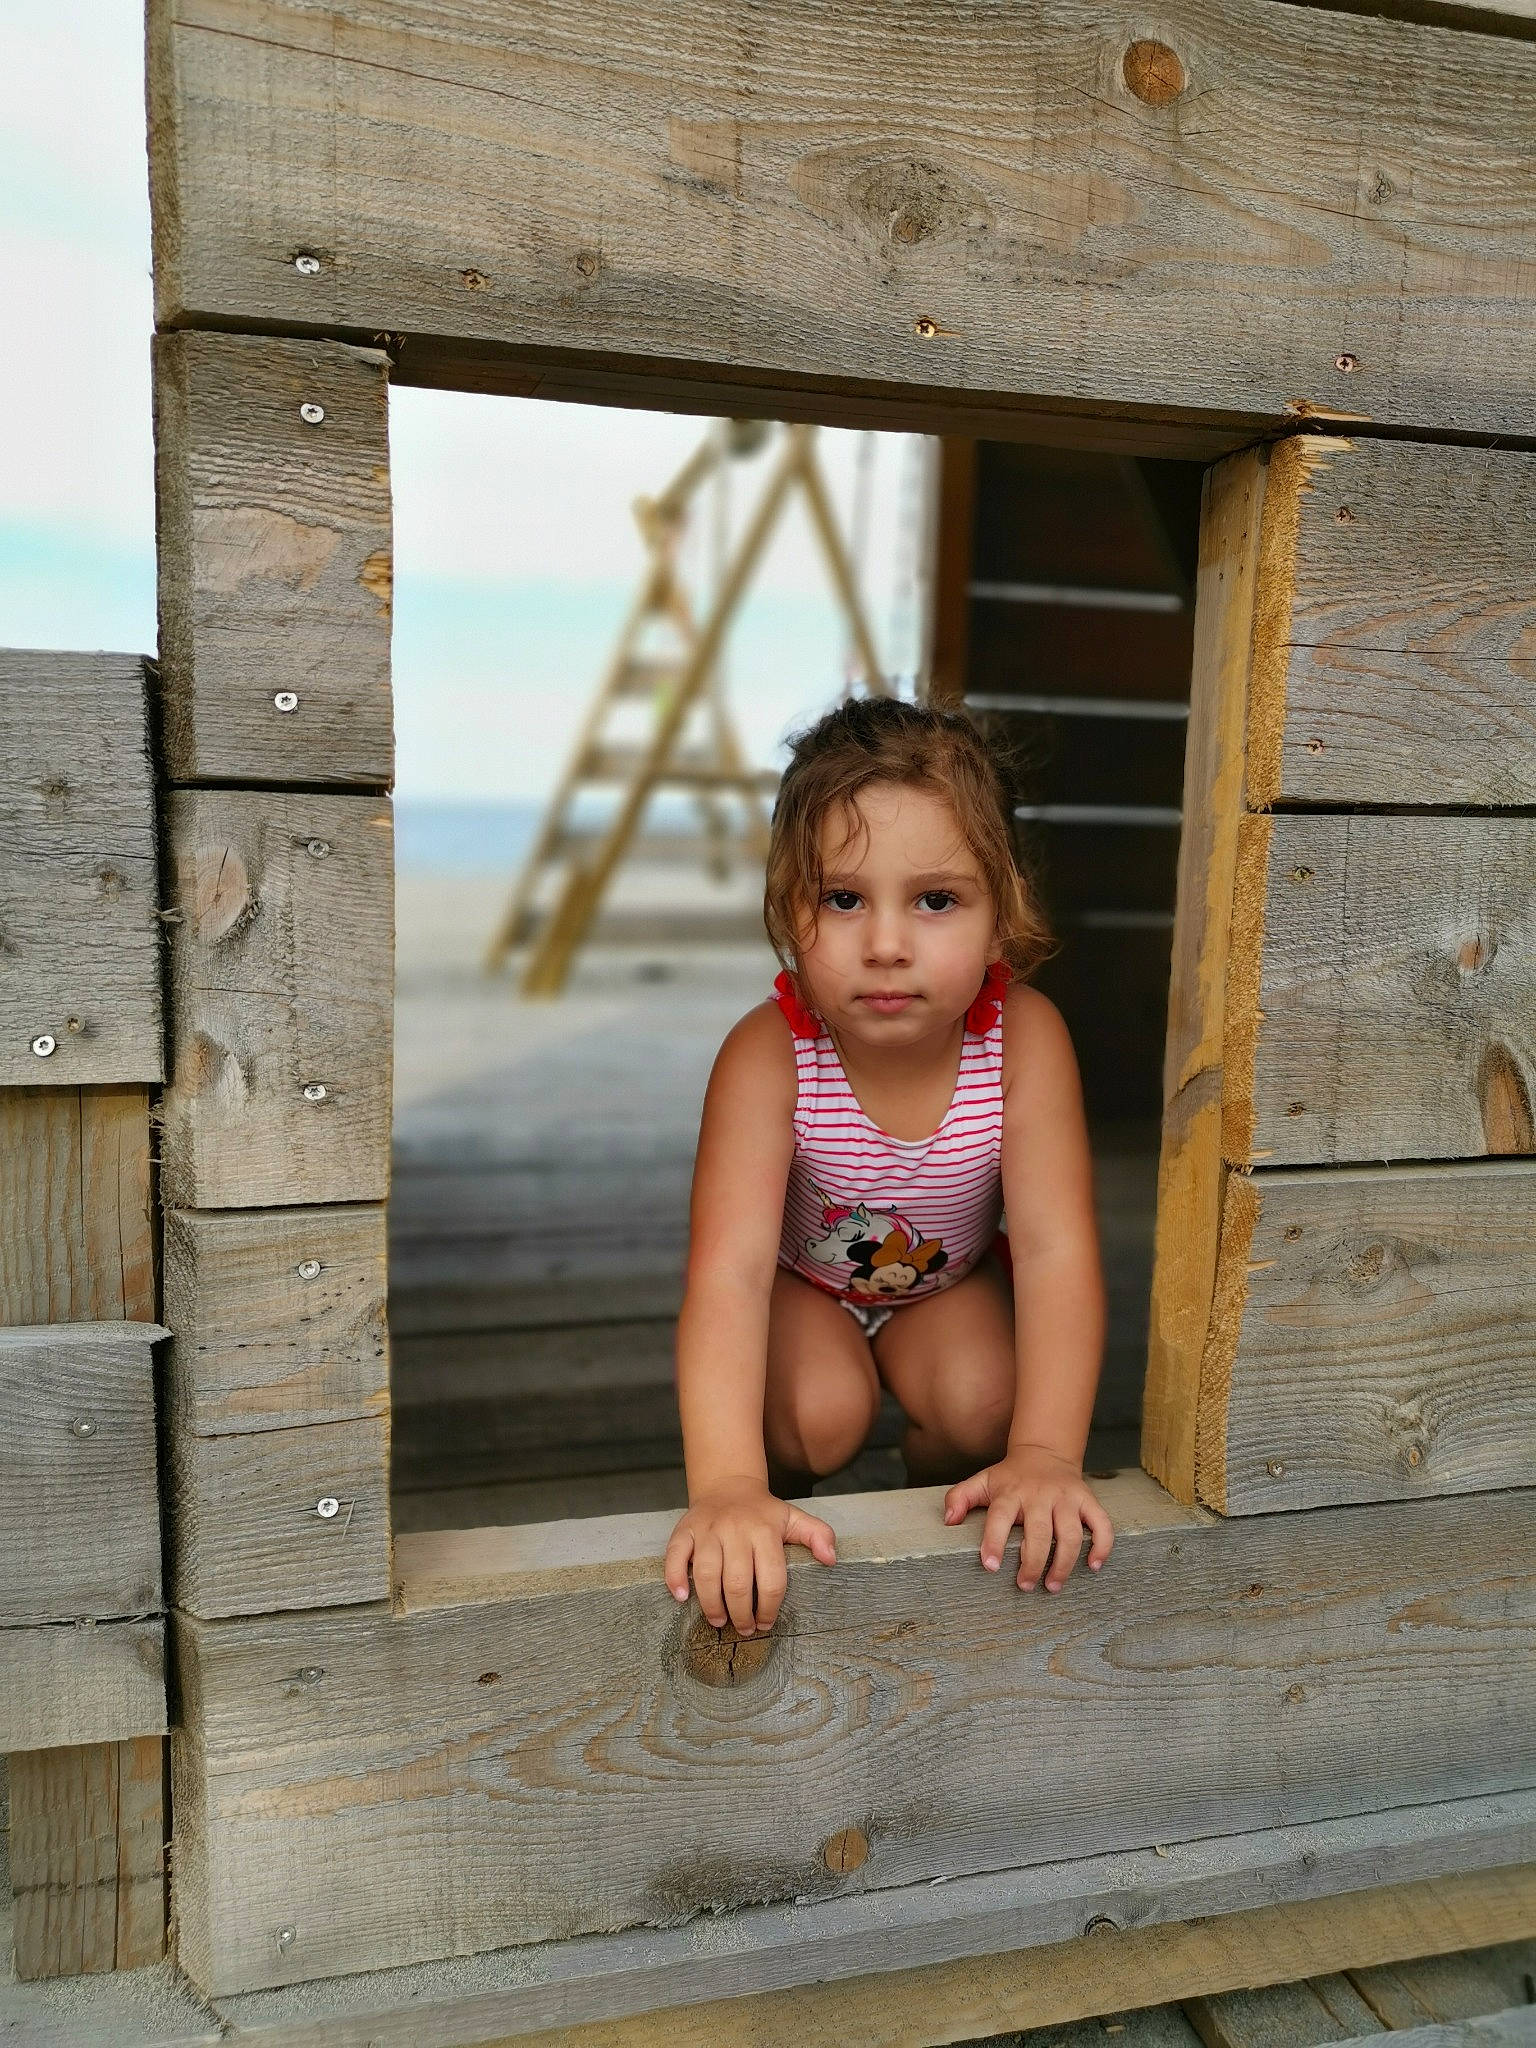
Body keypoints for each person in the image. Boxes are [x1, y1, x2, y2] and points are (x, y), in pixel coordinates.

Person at [663, 695, 1114, 1637]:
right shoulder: (770, 1055)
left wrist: (1045, 1455)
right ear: (790, 912)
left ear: (1002, 916)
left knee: (986, 1400)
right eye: (843, 899)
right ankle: (767, 1510)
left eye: (936, 900)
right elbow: (729, 1276)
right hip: (806, 1287)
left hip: (945, 1287)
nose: (886, 945)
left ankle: (942, 1510)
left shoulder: (1024, 1041)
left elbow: (1055, 1253)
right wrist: (726, 1486)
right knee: (817, 1412)